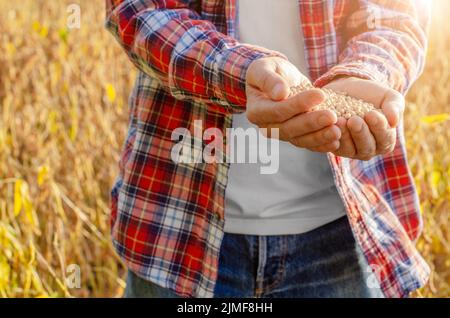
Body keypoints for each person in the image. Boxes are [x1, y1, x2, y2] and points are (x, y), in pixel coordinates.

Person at [106, 0, 431, 298]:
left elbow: (398, 14)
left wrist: (365, 71)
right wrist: (241, 70)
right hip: (178, 227)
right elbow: (141, 9)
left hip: (341, 230)